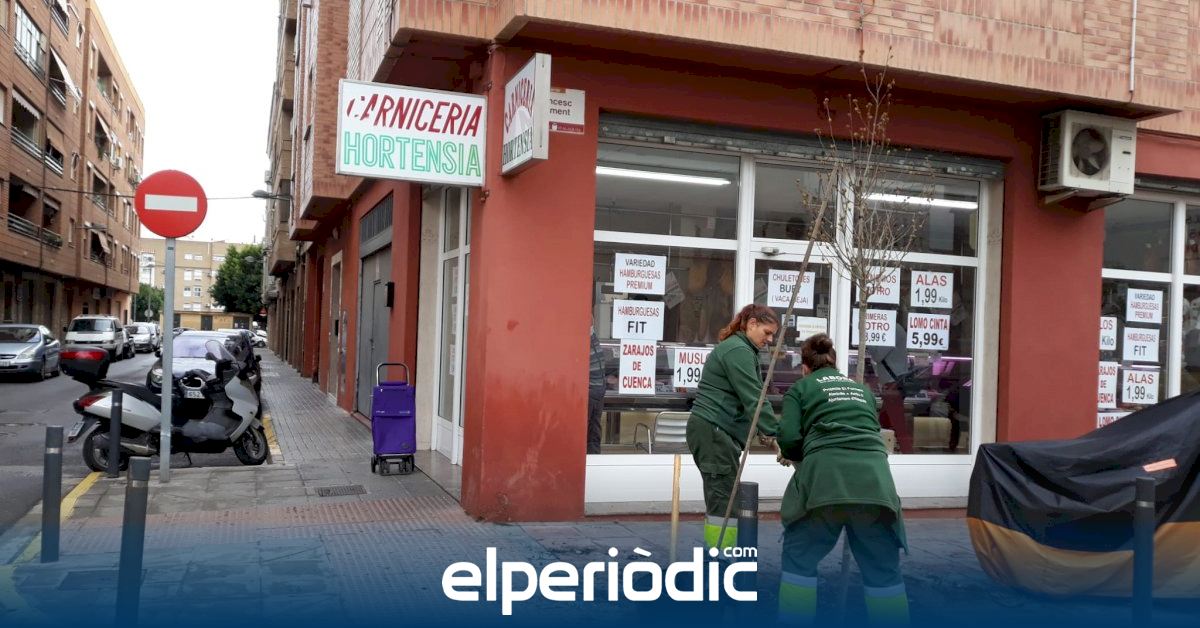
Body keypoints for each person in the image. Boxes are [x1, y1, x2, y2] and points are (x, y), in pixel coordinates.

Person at [776, 333, 909, 625]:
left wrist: (797, 453)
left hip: (824, 485)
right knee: (884, 571)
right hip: (875, 486)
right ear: (835, 364)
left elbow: (789, 439)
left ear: (805, 368)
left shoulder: (801, 388)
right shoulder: (862, 391)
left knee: (799, 559)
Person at [687, 303, 780, 550]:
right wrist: (775, 433)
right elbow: (754, 398)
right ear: (752, 324)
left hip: (716, 432)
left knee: (724, 496)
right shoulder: (738, 350)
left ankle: (720, 554)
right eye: (767, 332)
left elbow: (747, 398)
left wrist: (763, 433)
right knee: (723, 502)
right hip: (714, 431)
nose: (770, 340)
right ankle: (719, 557)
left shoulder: (742, 349)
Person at [587, 323, 605, 454]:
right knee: (593, 428)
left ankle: (593, 457)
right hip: (594, 389)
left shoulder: (591, 338)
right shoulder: (590, 338)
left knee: (593, 428)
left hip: (595, 390)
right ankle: (592, 456)